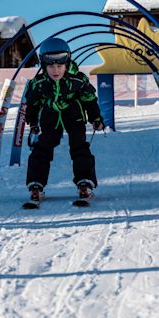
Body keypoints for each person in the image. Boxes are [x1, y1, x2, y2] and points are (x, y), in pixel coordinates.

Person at [24, 38, 104, 206]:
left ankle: (85, 183)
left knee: (79, 147)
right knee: (42, 149)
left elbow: (89, 99)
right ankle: (36, 185)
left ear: (67, 63)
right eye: (51, 67)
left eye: (60, 66)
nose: (55, 71)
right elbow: (33, 103)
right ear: (43, 65)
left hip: (74, 116)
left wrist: (95, 118)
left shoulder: (77, 80)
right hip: (50, 117)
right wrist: (32, 121)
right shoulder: (39, 83)